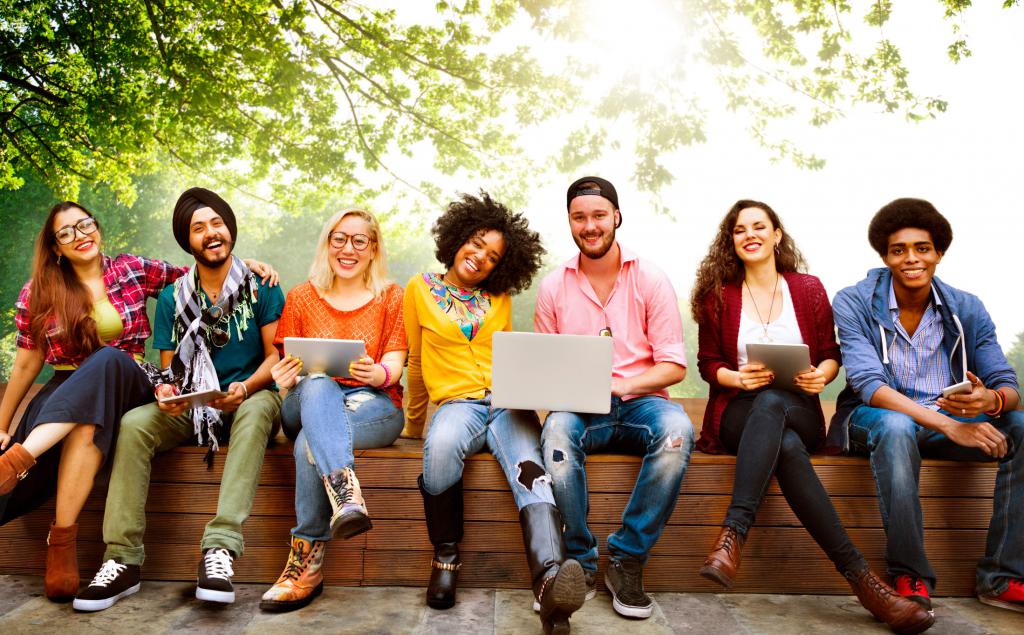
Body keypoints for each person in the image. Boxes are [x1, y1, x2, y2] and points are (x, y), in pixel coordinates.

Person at [691, 200, 933, 634]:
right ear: (731, 241)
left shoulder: (807, 288)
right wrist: (736, 377)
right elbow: (708, 363)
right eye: (739, 229)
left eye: (759, 226)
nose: (750, 235)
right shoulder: (719, 295)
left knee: (776, 407)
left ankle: (733, 535)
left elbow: (830, 354)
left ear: (777, 234)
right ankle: (865, 583)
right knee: (776, 432)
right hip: (737, 413)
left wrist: (820, 375)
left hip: (799, 407)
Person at [74, 187, 285, 611]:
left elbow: (275, 356)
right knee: (134, 423)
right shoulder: (173, 297)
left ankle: (220, 549)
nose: (211, 233)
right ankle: (123, 559)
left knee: (261, 405)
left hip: (250, 398)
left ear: (230, 230)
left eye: (217, 223)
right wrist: (168, 393)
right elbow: (172, 372)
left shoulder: (262, 286)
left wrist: (244, 387)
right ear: (187, 241)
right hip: (197, 408)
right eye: (198, 228)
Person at [830, 198, 1024, 615]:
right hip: (873, 420)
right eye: (899, 250)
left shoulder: (966, 307)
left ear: (939, 253)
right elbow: (868, 386)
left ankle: (1002, 576)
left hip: (946, 421)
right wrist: (950, 425)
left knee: (1021, 426)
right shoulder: (854, 301)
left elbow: (1008, 386)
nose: (911, 259)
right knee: (897, 427)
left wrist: (989, 400)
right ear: (884, 255)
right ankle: (909, 573)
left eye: (922, 248)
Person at [403, 192, 585, 635]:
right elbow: (415, 362)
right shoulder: (419, 289)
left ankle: (548, 582)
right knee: (441, 446)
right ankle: (445, 555)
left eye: (492, 256)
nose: (480, 257)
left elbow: (509, 355)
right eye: (476, 243)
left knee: (532, 472)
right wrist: (412, 423)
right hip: (457, 405)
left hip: (506, 404)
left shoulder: (499, 297)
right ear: (458, 238)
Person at [0, 202, 189, 601]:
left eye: (84, 225)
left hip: (132, 381)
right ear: (54, 247)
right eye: (66, 232)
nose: (80, 235)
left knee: (108, 359)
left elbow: (200, 277)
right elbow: (25, 366)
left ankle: (14, 463)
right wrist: (2, 425)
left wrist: (250, 266)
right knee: (88, 417)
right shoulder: (38, 292)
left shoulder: (132, 269)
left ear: (97, 228)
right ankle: (62, 544)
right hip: (67, 389)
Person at [536, 176, 693, 620]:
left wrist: (622, 385)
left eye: (599, 215)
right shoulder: (553, 287)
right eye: (579, 217)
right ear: (570, 222)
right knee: (558, 431)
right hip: (583, 409)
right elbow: (547, 367)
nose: (590, 226)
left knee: (678, 429)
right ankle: (580, 563)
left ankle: (626, 559)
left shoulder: (651, 278)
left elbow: (674, 366)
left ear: (617, 217)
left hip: (642, 402)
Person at [259, 208, 407, 612]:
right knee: (318, 382)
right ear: (327, 243)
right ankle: (345, 495)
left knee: (313, 439)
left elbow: (395, 361)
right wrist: (284, 377)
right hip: (303, 401)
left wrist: (378, 374)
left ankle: (305, 565)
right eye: (339, 238)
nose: (348, 249)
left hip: (372, 406)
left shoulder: (390, 296)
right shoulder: (302, 296)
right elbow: (282, 365)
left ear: (373, 248)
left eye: (360, 240)